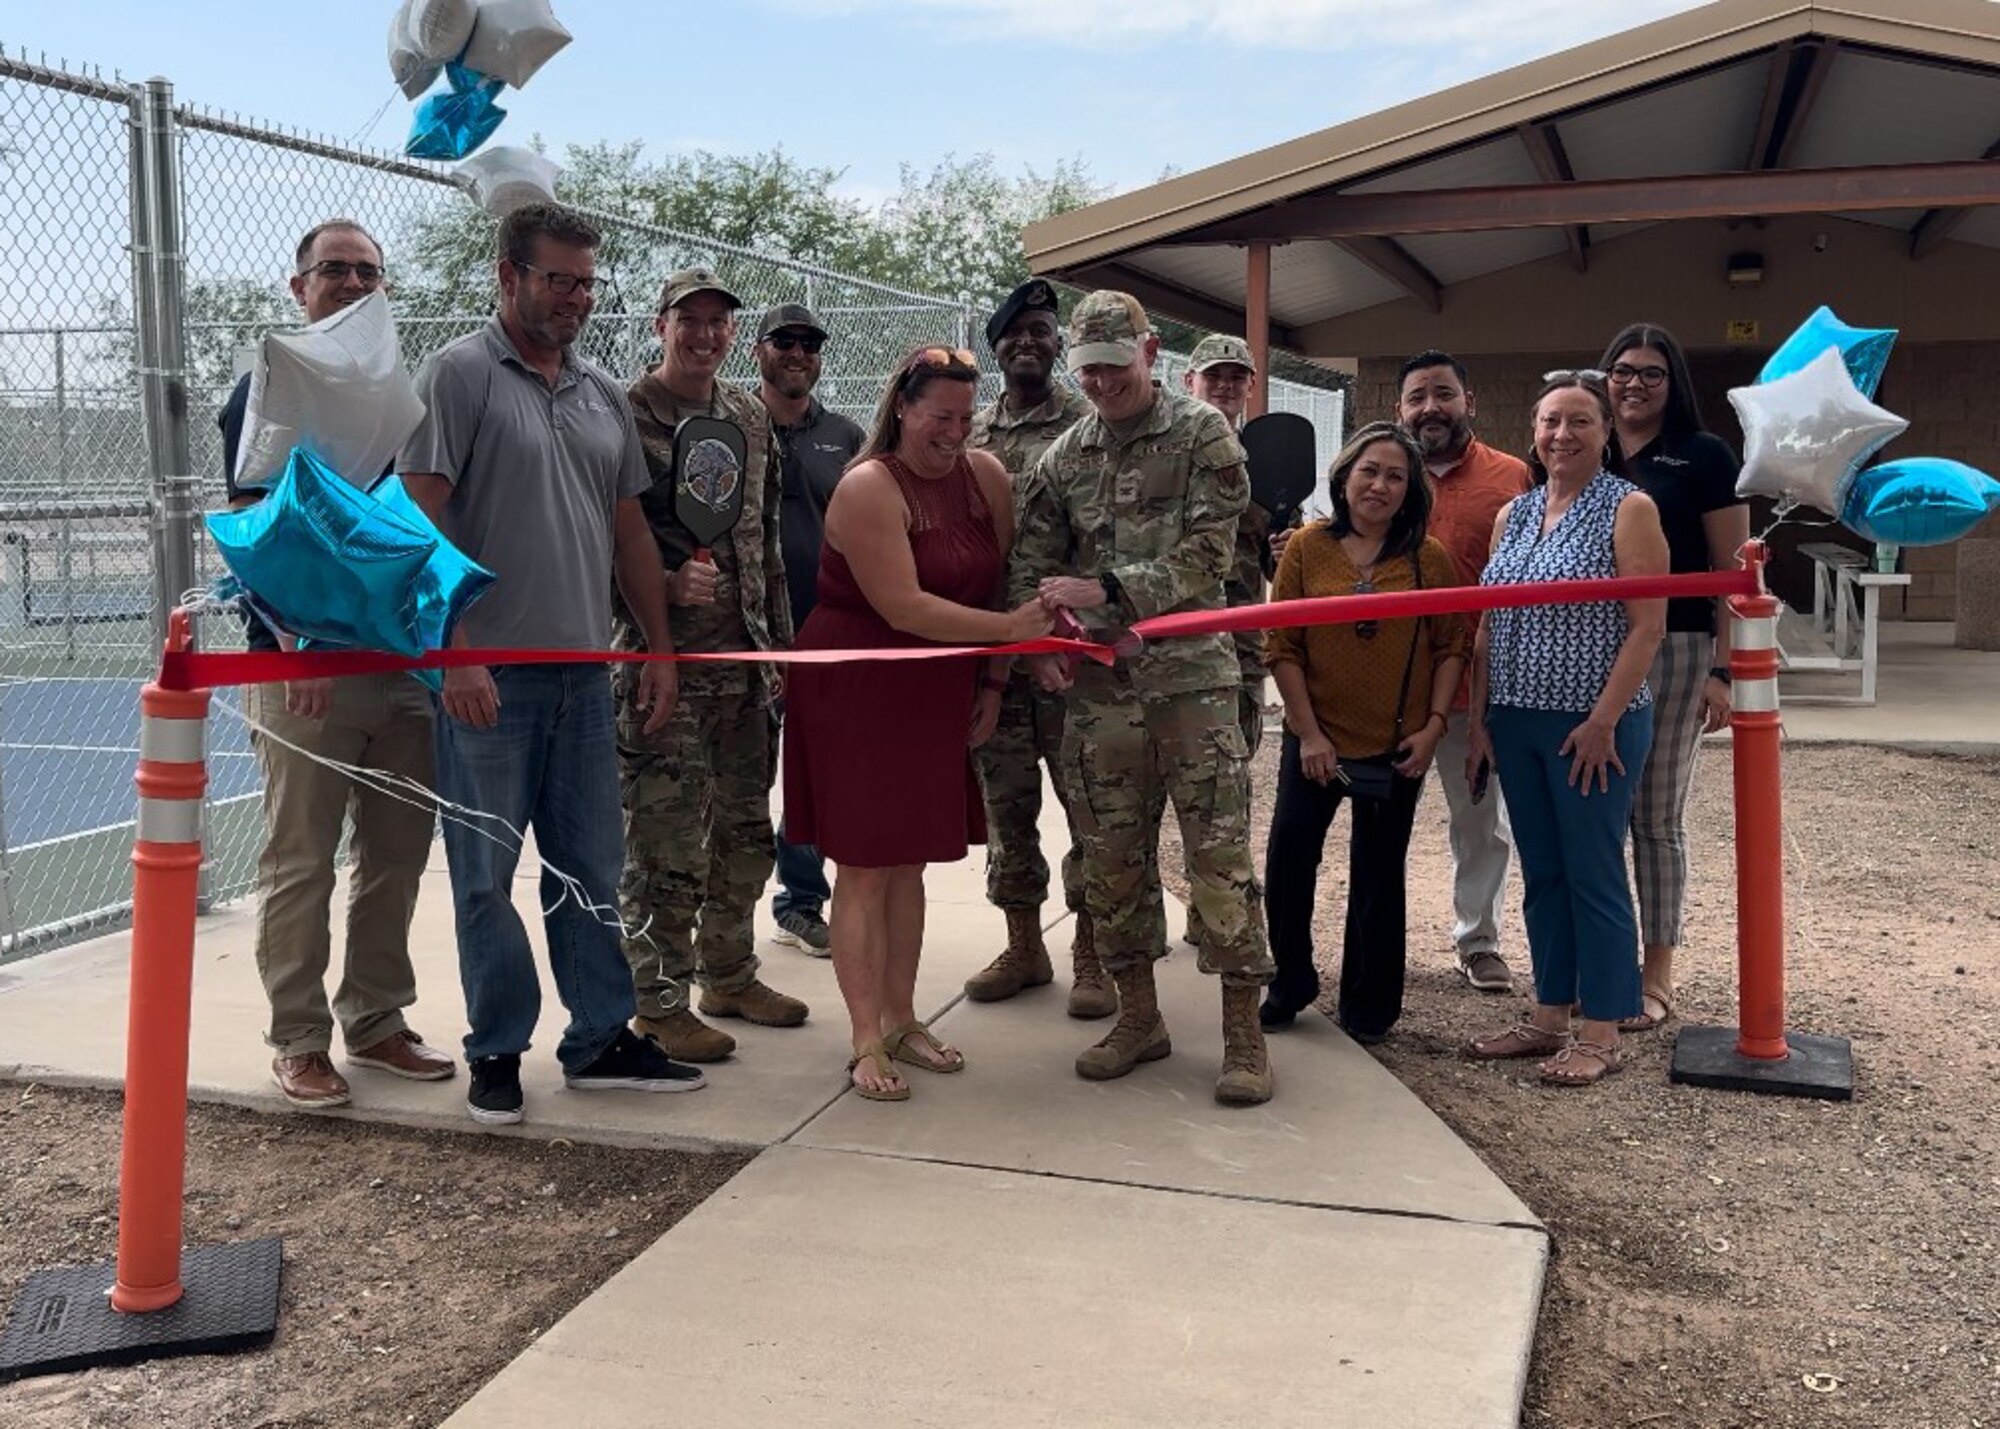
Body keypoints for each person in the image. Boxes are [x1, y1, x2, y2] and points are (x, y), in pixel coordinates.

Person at [401, 202, 700, 1126]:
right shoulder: (456, 375)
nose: (572, 297)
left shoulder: (602, 392)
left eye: (584, 282)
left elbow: (627, 533)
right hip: (487, 678)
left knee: (589, 865)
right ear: (509, 277)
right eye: (555, 279)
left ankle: (601, 1037)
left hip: (582, 676)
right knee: (485, 873)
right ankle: (496, 1047)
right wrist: (456, 653)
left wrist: (654, 648)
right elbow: (420, 518)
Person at [1013, 290, 1276, 1107]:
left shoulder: (1206, 437)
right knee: (1113, 861)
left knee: (1220, 860)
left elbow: (1211, 558)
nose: (1100, 385)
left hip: (1191, 682)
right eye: (1087, 371)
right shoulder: (1064, 454)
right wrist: (1043, 648)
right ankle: (1140, 1018)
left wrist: (1110, 590)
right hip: (1100, 696)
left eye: (1114, 369)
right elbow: (1031, 560)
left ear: (1151, 352)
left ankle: (1243, 1034)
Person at [223, 220, 451, 1109]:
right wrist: (295, 640)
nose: (354, 284)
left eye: (369, 271)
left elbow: (422, 522)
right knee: (302, 858)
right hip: (302, 668)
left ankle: (378, 1019)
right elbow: (255, 524)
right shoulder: (270, 387)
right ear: (299, 287)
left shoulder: (401, 404)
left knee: (396, 853)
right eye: (336, 270)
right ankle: (299, 1037)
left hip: (402, 663)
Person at [784, 345, 1051, 1101]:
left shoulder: (986, 475)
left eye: (967, 417)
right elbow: (903, 605)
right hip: (859, 684)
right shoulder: (869, 487)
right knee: (866, 864)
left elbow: (998, 573)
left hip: (936, 683)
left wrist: (994, 676)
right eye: (940, 415)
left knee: (909, 860)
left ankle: (903, 1018)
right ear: (902, 406)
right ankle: (866, 1035)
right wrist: (1008, 631)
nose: (955, 431)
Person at [615, 269, 810, 1066]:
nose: (704, 335)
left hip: (743, 665)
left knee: (744, 831)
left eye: (718, 322)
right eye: (687, 320)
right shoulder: (623, 414)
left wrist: (781, 651)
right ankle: (658, 1002)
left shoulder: (747, 418)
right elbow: (595, 536)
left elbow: (762, 544)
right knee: (666, 844)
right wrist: (657, 589)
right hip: (664, 669)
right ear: (660, 325)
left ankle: (729, 972)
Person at [1463, 371, 1669, 1087]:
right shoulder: (1514, 514)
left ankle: (1603, 1027)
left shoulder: (1629, 507)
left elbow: (1648, 626)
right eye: (1551, 420)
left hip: (1593, 724)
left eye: (1580, 421)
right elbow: (1489, 622)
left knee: (1593, 869)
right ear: (1533, 428)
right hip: (1516, 717)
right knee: (1543, 871)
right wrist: (1482, 718)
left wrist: (1603, 719)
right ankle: (1548, 1013)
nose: (1562, 434)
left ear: (1605, 431)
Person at [1259, 422, 1468, 1042]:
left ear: (1411, 491)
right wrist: (1310, 734)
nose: (1380, 485)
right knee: (1290, 860)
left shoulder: (1429, 559)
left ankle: (1370, 1005)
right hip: (1315, 735)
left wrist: (1433, 727)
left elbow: (1451, 643)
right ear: (1345, 476)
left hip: (1398, 743)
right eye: (1369, 471)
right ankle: (1290, 980)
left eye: (1396, 475)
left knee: (1380, 873)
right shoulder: (1304, 548)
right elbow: (1283, 646)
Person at [962, 279, 1111, 1018]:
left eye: (1042, 330)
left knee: (1086, 802)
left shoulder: (1089, 424)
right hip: (994, 650)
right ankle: (1025, 942)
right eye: (1015, 331)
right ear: (997, 346)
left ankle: (1092, 951)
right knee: (1006, 804)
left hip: (1064, 653)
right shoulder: (971, 431)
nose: (1029, 341)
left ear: (1061, 345)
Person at [1599, 323, 1747, 1033]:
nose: (1634, 383)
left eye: (1652, 373)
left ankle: (1656, 972)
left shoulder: (1705, 456)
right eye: (1623, 370)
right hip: (1592, 644)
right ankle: (1598, 963)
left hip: (1680, 645)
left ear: (1673, 383)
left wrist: (1723, 669)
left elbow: (1731, 575)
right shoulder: (1583, 447)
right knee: (1594, 812)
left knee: (1654, 815)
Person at [1396, 352, 1533, 994]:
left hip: (1480, 686)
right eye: (1417, 397)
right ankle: (1376, 943)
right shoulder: (1383, 477)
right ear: (1399, 410)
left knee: (1480, 819)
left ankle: (1478, 941)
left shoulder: (1514, 478)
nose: (1430, 407)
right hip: (1393, 683)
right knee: (1381, 818)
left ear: (1469, 403)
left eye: (1442, 394)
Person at [756, 301, 864, 960]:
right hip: (751, 633)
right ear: (759, 351)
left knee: (817, 774)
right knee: (742, 778)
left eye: (810, 343)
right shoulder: (730, 426)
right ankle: (726, 922)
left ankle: (800, 899)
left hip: (827, 633)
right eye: (785, 341)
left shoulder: (847, 437)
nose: (799, 352)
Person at [1180, 333, 1273, 954]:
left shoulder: (1265, 460)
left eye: (1237, 377)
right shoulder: (1174, 449)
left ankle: (1211, 908)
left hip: (1239, 643)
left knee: (1228, 781)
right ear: (1191, 381)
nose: (1226, 386)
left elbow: (1275, 552)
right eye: (1215, 375)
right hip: (1177, 639)